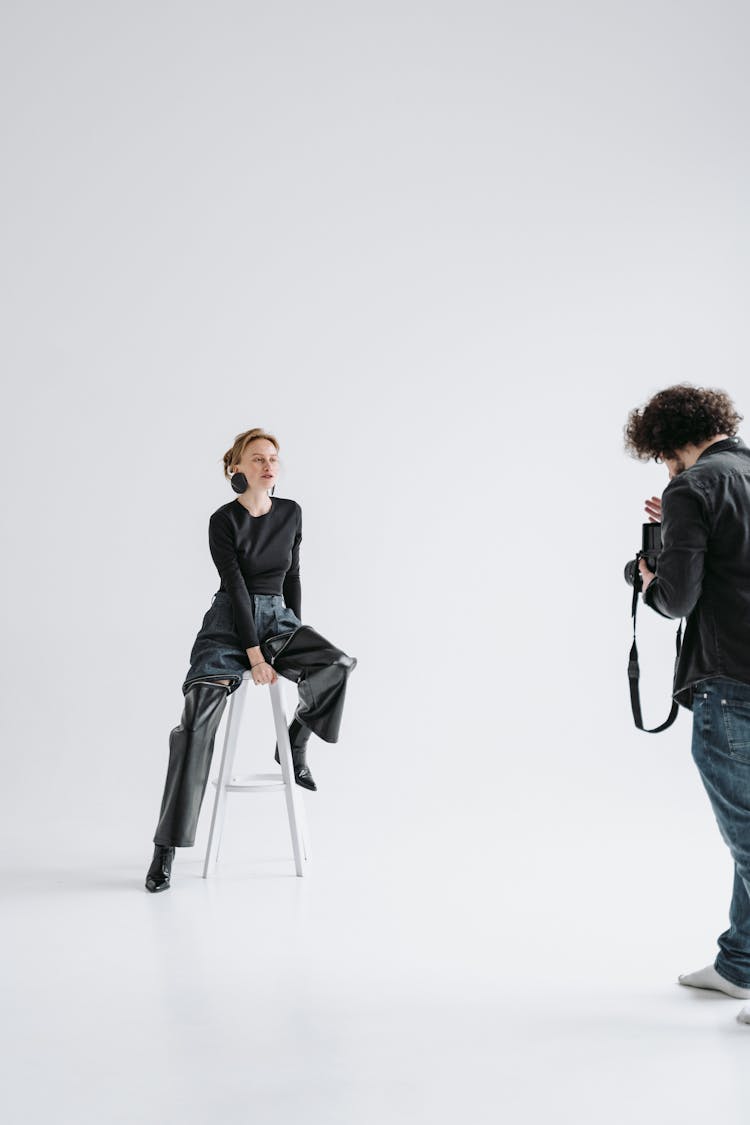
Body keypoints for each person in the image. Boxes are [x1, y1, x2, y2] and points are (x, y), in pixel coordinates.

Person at [145, 427, 357, 893]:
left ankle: (294, 745)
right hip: (228, 623)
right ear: (236, 468)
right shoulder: (223, 520)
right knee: (195, 725)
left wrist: (294, 631)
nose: (268, 465)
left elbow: (293, 575)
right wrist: (255, 655)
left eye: (273, 458)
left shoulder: (292, 513)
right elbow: (237, 588)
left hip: (277, 619)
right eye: (257, 458)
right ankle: (166, 848)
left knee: (337, 664)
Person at [624, 383, 750, 1024]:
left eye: (663, 457)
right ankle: (739, 966)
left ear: (668, 438)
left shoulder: (690, 487)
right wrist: (681, 525)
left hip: (731, 680)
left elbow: (675, 599)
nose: (665, 470)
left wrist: (649, 574)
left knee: (749, 835)